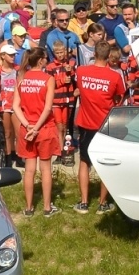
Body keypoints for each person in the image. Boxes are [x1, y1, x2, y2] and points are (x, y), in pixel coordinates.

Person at [73, 41, 127, 214]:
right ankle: (102, 204)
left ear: (94, 54)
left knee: (84, 162)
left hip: (86, 123)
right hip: (106, 124)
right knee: (105, 163)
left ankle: (83, 202)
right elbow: (120, 95)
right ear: (109, 56)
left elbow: (78, 88)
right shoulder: (115, 76)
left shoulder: (81, 71)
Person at [14, 46, 60, 217]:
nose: (47, 60)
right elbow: (48, 108)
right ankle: (47, 208)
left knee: (29, 169)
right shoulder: (48, 79)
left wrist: (28, 126)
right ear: (40, 60)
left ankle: (28, 208)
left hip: (26, 129)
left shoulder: (21, 78)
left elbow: (15, 107)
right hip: (44, 129)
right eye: (46, 58)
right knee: (46, 168)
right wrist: (36, 128)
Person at [46, 37, 78, 163]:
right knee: (58, 126)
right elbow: (50, 83)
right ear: (54, 53)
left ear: (65, 52)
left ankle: (65, 149)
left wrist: (72, 73)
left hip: (67, 99)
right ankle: (59, 151)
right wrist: (61, 81)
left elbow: (74, 79)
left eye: (62, 52)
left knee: (65, 126)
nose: (60, 55)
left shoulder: (69, 64)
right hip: (56, 100)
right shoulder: (50, 67)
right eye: (57, 53)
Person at [0, 43, 20, 165]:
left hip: (16, 104)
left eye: (14, 55)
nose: (13, 57)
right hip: (3, 105)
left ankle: (18, 155)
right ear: (3, 56)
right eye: (10, 55)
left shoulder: (18, 70)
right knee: (7, 132)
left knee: (19, 131)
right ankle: (8, 157)